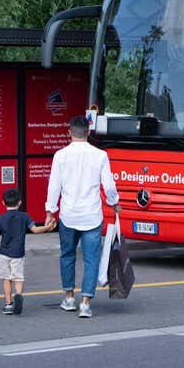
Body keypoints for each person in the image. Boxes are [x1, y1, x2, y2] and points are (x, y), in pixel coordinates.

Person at [45, 115, 121, 318]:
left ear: (69, 133)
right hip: (92, 216)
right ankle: (86, 303)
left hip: (68, 215)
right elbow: (109, 185)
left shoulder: (60, 155)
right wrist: (115, 203)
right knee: (91, 259)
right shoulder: (100, 155)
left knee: (67, 256)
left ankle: (69, 298)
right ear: (88, 132)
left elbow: (54, 186)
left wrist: (50, 210)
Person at [0, 188, 56, 315]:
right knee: (18, 278)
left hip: (4, 253)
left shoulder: (0, 218)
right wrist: (48, 227)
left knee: (6, 279)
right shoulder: (24, 216)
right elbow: (35, 230)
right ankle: (19, 294)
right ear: (20, 203)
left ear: (3, 203)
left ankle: (8, 304)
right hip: (18, 253)